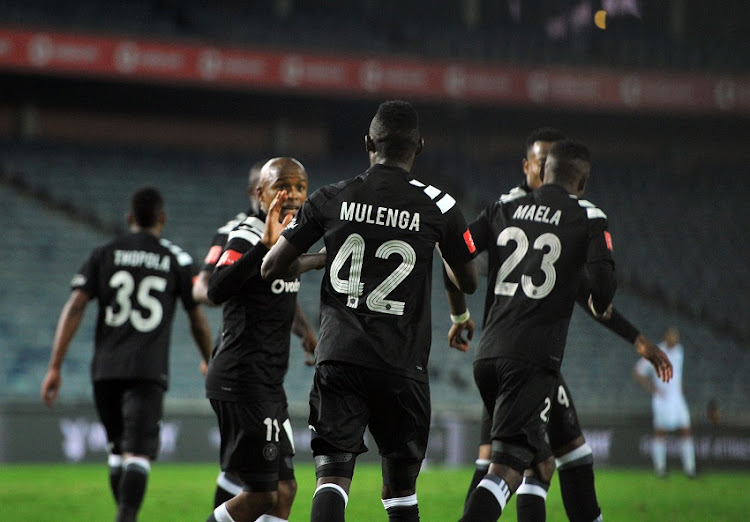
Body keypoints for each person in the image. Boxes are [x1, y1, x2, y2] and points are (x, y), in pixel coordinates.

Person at [261, 100, 478, 522]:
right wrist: (458, 311)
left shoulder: (331, 196)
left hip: (340, 358)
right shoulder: (441, 207)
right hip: (402, 364)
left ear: (367, 143)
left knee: (331, 481)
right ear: (419, 147)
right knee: (400, 495)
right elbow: (467, 280)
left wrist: (316, 259)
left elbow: (271, 266)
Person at [451, 127, 669, 522]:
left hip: (491, 354)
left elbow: (457, 251)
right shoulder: (582, 216)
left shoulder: (504, 208)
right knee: (506, 468)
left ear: (547, 169)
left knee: (554, 459)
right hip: (532, 360)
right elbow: (598, 291)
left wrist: (459, 312)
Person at [41, 186, 212, 522]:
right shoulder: (175, 258)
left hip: (105, 370)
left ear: (130, 218)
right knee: (137, 454)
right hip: (147, 370)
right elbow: (197, 319)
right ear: (163, 218)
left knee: (118, 450)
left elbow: (75, 305)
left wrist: (55, 366)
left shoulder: (103, 253)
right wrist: (208, 357)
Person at [204, 157, 323, 522]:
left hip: (267, 383)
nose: (292, 195)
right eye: (282, 187)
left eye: (300, 187)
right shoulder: (248, 232)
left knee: (284, 492)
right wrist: (263, 247)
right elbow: (216, 288)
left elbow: (283, 279)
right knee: (260, 495)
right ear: (261, 192)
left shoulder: (290, 239)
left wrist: (305, 332)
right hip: (242, 378)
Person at [633, 326, 696, 478]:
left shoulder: (679, 351)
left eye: (677, 336)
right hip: (662, 398)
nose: (676, 339)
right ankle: (660, 470)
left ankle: (690, 469)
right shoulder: (655, 352)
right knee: (660, 433)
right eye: (673, 336)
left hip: (678, 398)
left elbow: (677, 373)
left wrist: (680, 387)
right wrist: (653, 388)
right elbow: (638, 372)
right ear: (666, 336)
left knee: (686, 431)